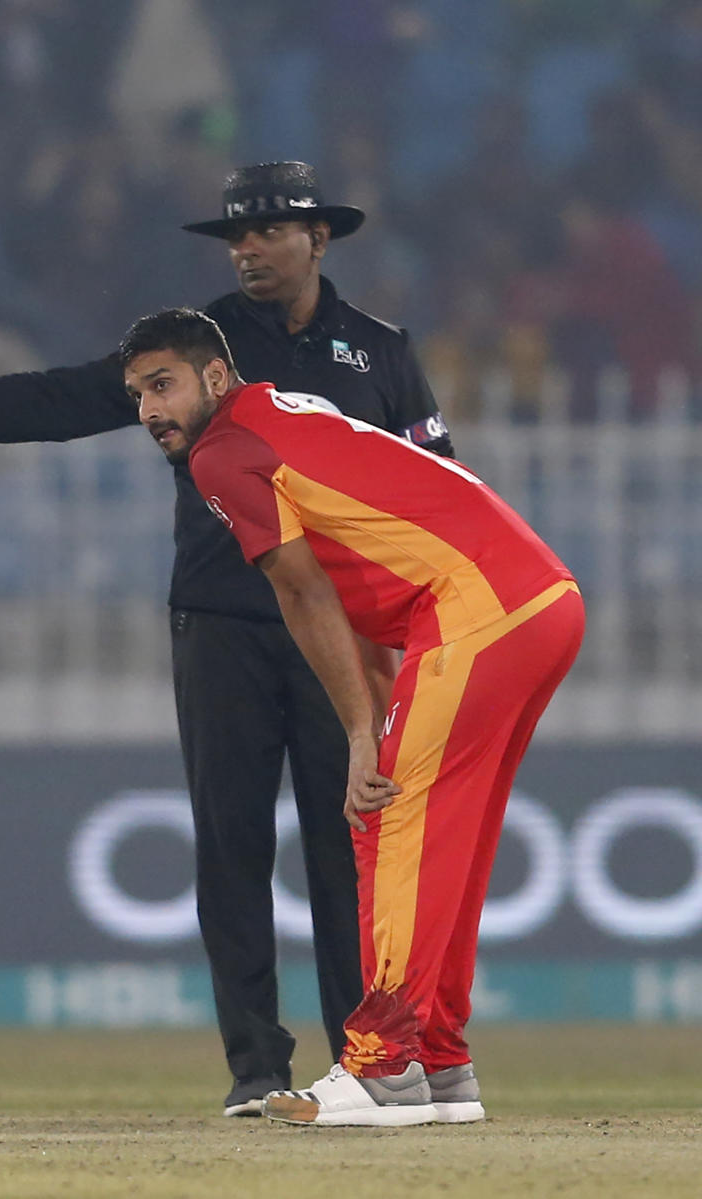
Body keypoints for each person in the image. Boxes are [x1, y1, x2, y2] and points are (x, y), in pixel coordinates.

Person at [0, 161, 453, 1117]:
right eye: (235, 236)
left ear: (318, 238)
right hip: (224, 624)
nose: (246, 248)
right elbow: (60, 402)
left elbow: (436, 489)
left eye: (267, 231)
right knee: (231, 848)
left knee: (350, 850)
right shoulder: (195, 346)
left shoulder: (382, 352)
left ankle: (365, 1064)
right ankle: (256, 1071)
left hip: (345, 633)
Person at [121, 307, 584, 1126]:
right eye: (136, 394)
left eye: (163, 384)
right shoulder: (289, 410)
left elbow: (303, 594)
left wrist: (363, 733)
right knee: (450, 828)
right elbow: (365, 587)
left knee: (389, 820)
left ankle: (384, 1063)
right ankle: (439, 1061)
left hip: (476, 604)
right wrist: (374, 714)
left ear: (215, 377)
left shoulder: (223, 452)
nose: (150, 409)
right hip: (539, 595)